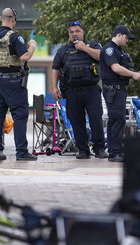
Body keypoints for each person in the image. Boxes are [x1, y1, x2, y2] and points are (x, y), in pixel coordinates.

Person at [0, 7, 37, 161]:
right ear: (13, 20)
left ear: (1, 18)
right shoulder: (14, 37)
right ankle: (21, 152)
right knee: (19, 115)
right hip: (14, 82)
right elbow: (25, 56)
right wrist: (32, 45)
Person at [51, 21, 108, 160]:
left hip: (91, 90)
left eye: (77, 31)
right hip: (72, 91)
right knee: (77, 121)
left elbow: (102, 57)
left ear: (83, 32)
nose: (74, 34)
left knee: (96, 119)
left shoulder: (93, 45)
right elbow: (55, 69)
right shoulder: (63, 50)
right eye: (71, 32)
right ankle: (83, 150)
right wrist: (54, 88)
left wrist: (84, 48)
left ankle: (99, 148)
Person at [99, 25, 140, 162]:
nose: (127, 41)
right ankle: (114, 153)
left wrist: (136, 74)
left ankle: (115, 151)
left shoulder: (119, 51)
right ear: (119, 35)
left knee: (116, 120)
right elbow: (116, 68)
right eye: (126, 37)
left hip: (119, 89)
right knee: (117, 119)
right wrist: (133, 74)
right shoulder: (109, 49)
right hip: (113, 90)